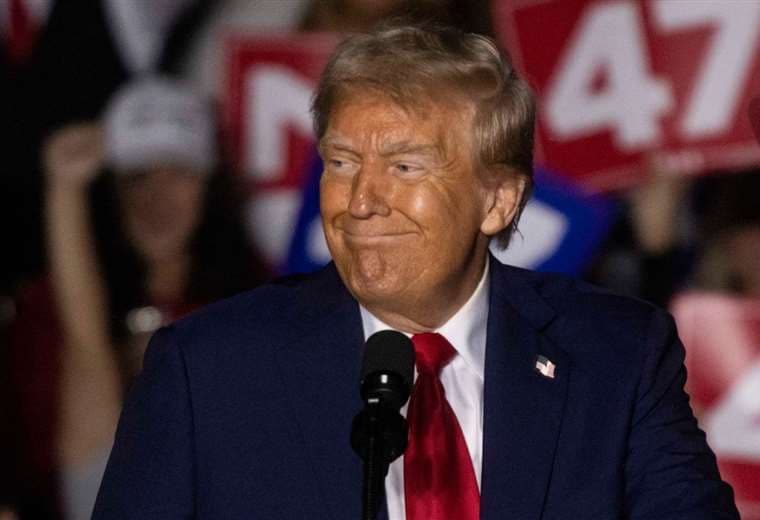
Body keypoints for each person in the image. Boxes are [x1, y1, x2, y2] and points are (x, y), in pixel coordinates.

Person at [93, 23, 739, 519]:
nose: (360, 201)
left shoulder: (617, 358)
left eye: (404, 167)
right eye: (341, 163)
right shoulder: (206, 371)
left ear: (498, 200)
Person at [3, 76, 268, 519]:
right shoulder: (48, 307)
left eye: (178, 172)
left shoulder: (257, 300)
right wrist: (65, 190)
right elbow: (81, 357)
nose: (157, 198)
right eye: (138, 177)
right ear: (111, 190)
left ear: (209, 185)